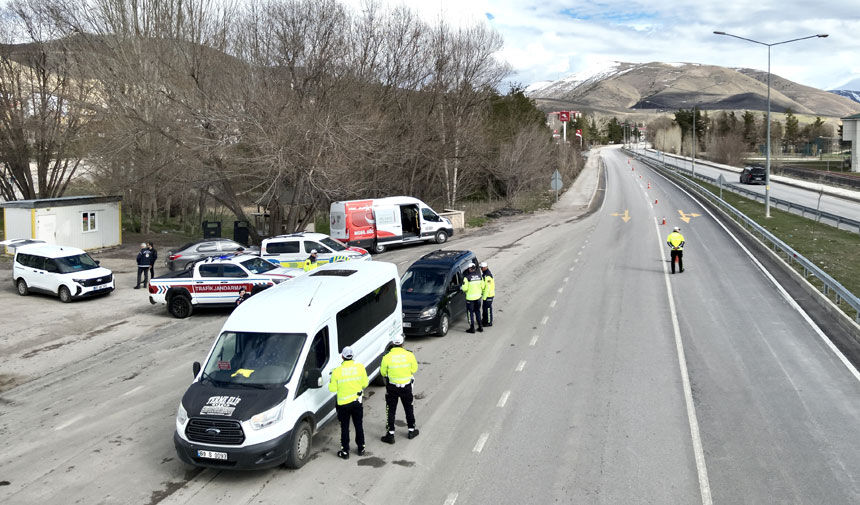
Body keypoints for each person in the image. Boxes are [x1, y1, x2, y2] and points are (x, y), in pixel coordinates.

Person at [328, 347, 368, 459]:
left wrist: (332, 379)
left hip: (343, 405)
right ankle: (361, 448)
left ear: (342, 356)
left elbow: (332, 389)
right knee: (358, 425)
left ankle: (345, 452)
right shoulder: (360, 367)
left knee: (344, 428)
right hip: (357, 402)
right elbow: (365, 383)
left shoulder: (336, 371)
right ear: (352, 356)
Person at [380, 334, 419, 444]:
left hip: (392, 387)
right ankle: (411, 430)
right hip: (406, 387)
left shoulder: (387, 357)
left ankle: (390, 434)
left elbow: (383, 372)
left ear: (392, 344)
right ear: (402, 344)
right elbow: (414, 369)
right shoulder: (409, 355)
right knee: (409, 409)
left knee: (391, 411)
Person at [461, 263, 485, 333]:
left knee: (470, 313)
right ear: (474, 268)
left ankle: (472, 328)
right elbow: (483, 287)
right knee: (477, 312)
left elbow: (464, 289)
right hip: (478, 298)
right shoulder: (480, 277)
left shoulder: (467, 278)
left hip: (470, 299)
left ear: (469, 269)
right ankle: (480, 327)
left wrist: (462, 287)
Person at [480, 262, 495, 327]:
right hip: (487, 295)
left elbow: (487, 288)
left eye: (481, 268)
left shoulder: (487, 276)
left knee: (488, 309)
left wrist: (484, 297)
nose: (481, 269)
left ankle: (489, 322)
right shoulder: (485, 274)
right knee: (485, 308)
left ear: (484, 267)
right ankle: (484, 320)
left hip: (489, 295)